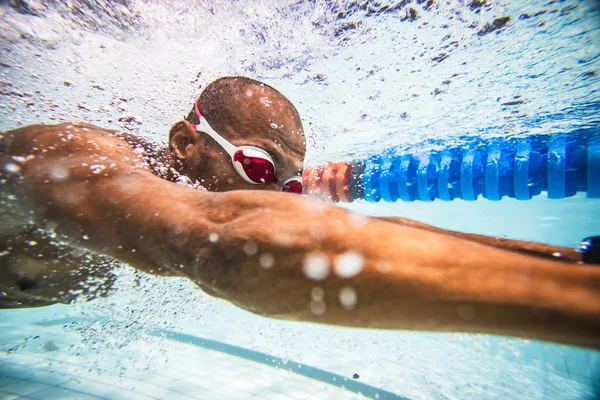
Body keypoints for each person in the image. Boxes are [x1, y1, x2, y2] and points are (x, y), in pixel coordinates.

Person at [1, 76, 599, 349]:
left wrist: (566, 260)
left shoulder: (178, 193)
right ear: (185, 142)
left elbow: (353, 234)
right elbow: (220, 236)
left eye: (286, 188)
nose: (267, 195)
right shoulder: (71, 157)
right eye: (261, 169)